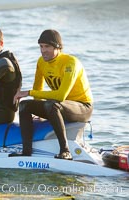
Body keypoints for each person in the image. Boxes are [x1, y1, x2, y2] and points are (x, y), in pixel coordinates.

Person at [10, 29, 93, 160]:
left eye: (47, 46)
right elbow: (38, 90)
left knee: (52, 105)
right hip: (60, 105)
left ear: (58, 47)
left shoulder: (70, 63)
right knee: (25, 105)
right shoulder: (41, 62)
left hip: (82, 107)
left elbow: (61, 96)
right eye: (41, 47)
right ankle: (26, 151)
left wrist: (28, 92)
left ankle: (65, 151)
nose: (43, 50)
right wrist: (37, 112)